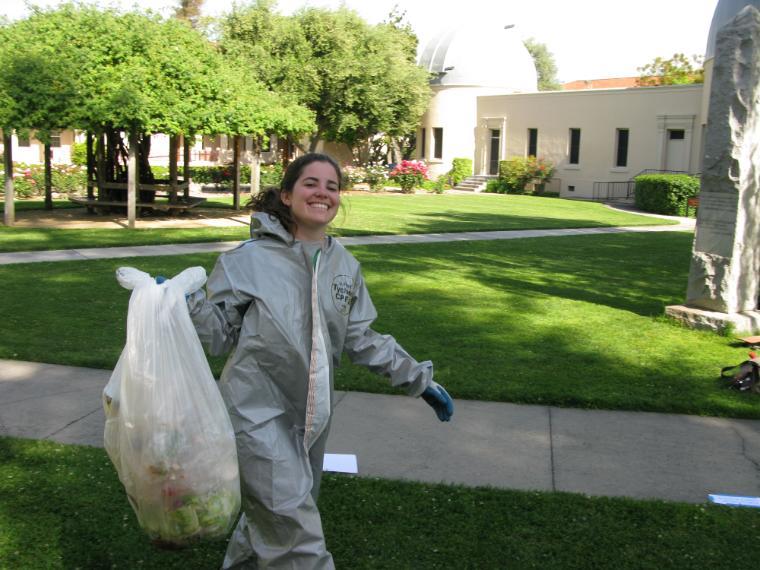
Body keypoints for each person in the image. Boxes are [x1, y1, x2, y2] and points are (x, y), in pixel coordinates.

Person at [184, 152, 454, 569]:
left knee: (278, 513)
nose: (323, 193)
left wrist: (420, 380)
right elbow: (218, 336)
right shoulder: (247, 260)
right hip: (253, 412)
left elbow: (361, 338)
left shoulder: (344, 266)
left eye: (332, 186)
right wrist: (186, 304)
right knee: (295, 531)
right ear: (288, 195)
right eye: (311, 183)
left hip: (311, 419)